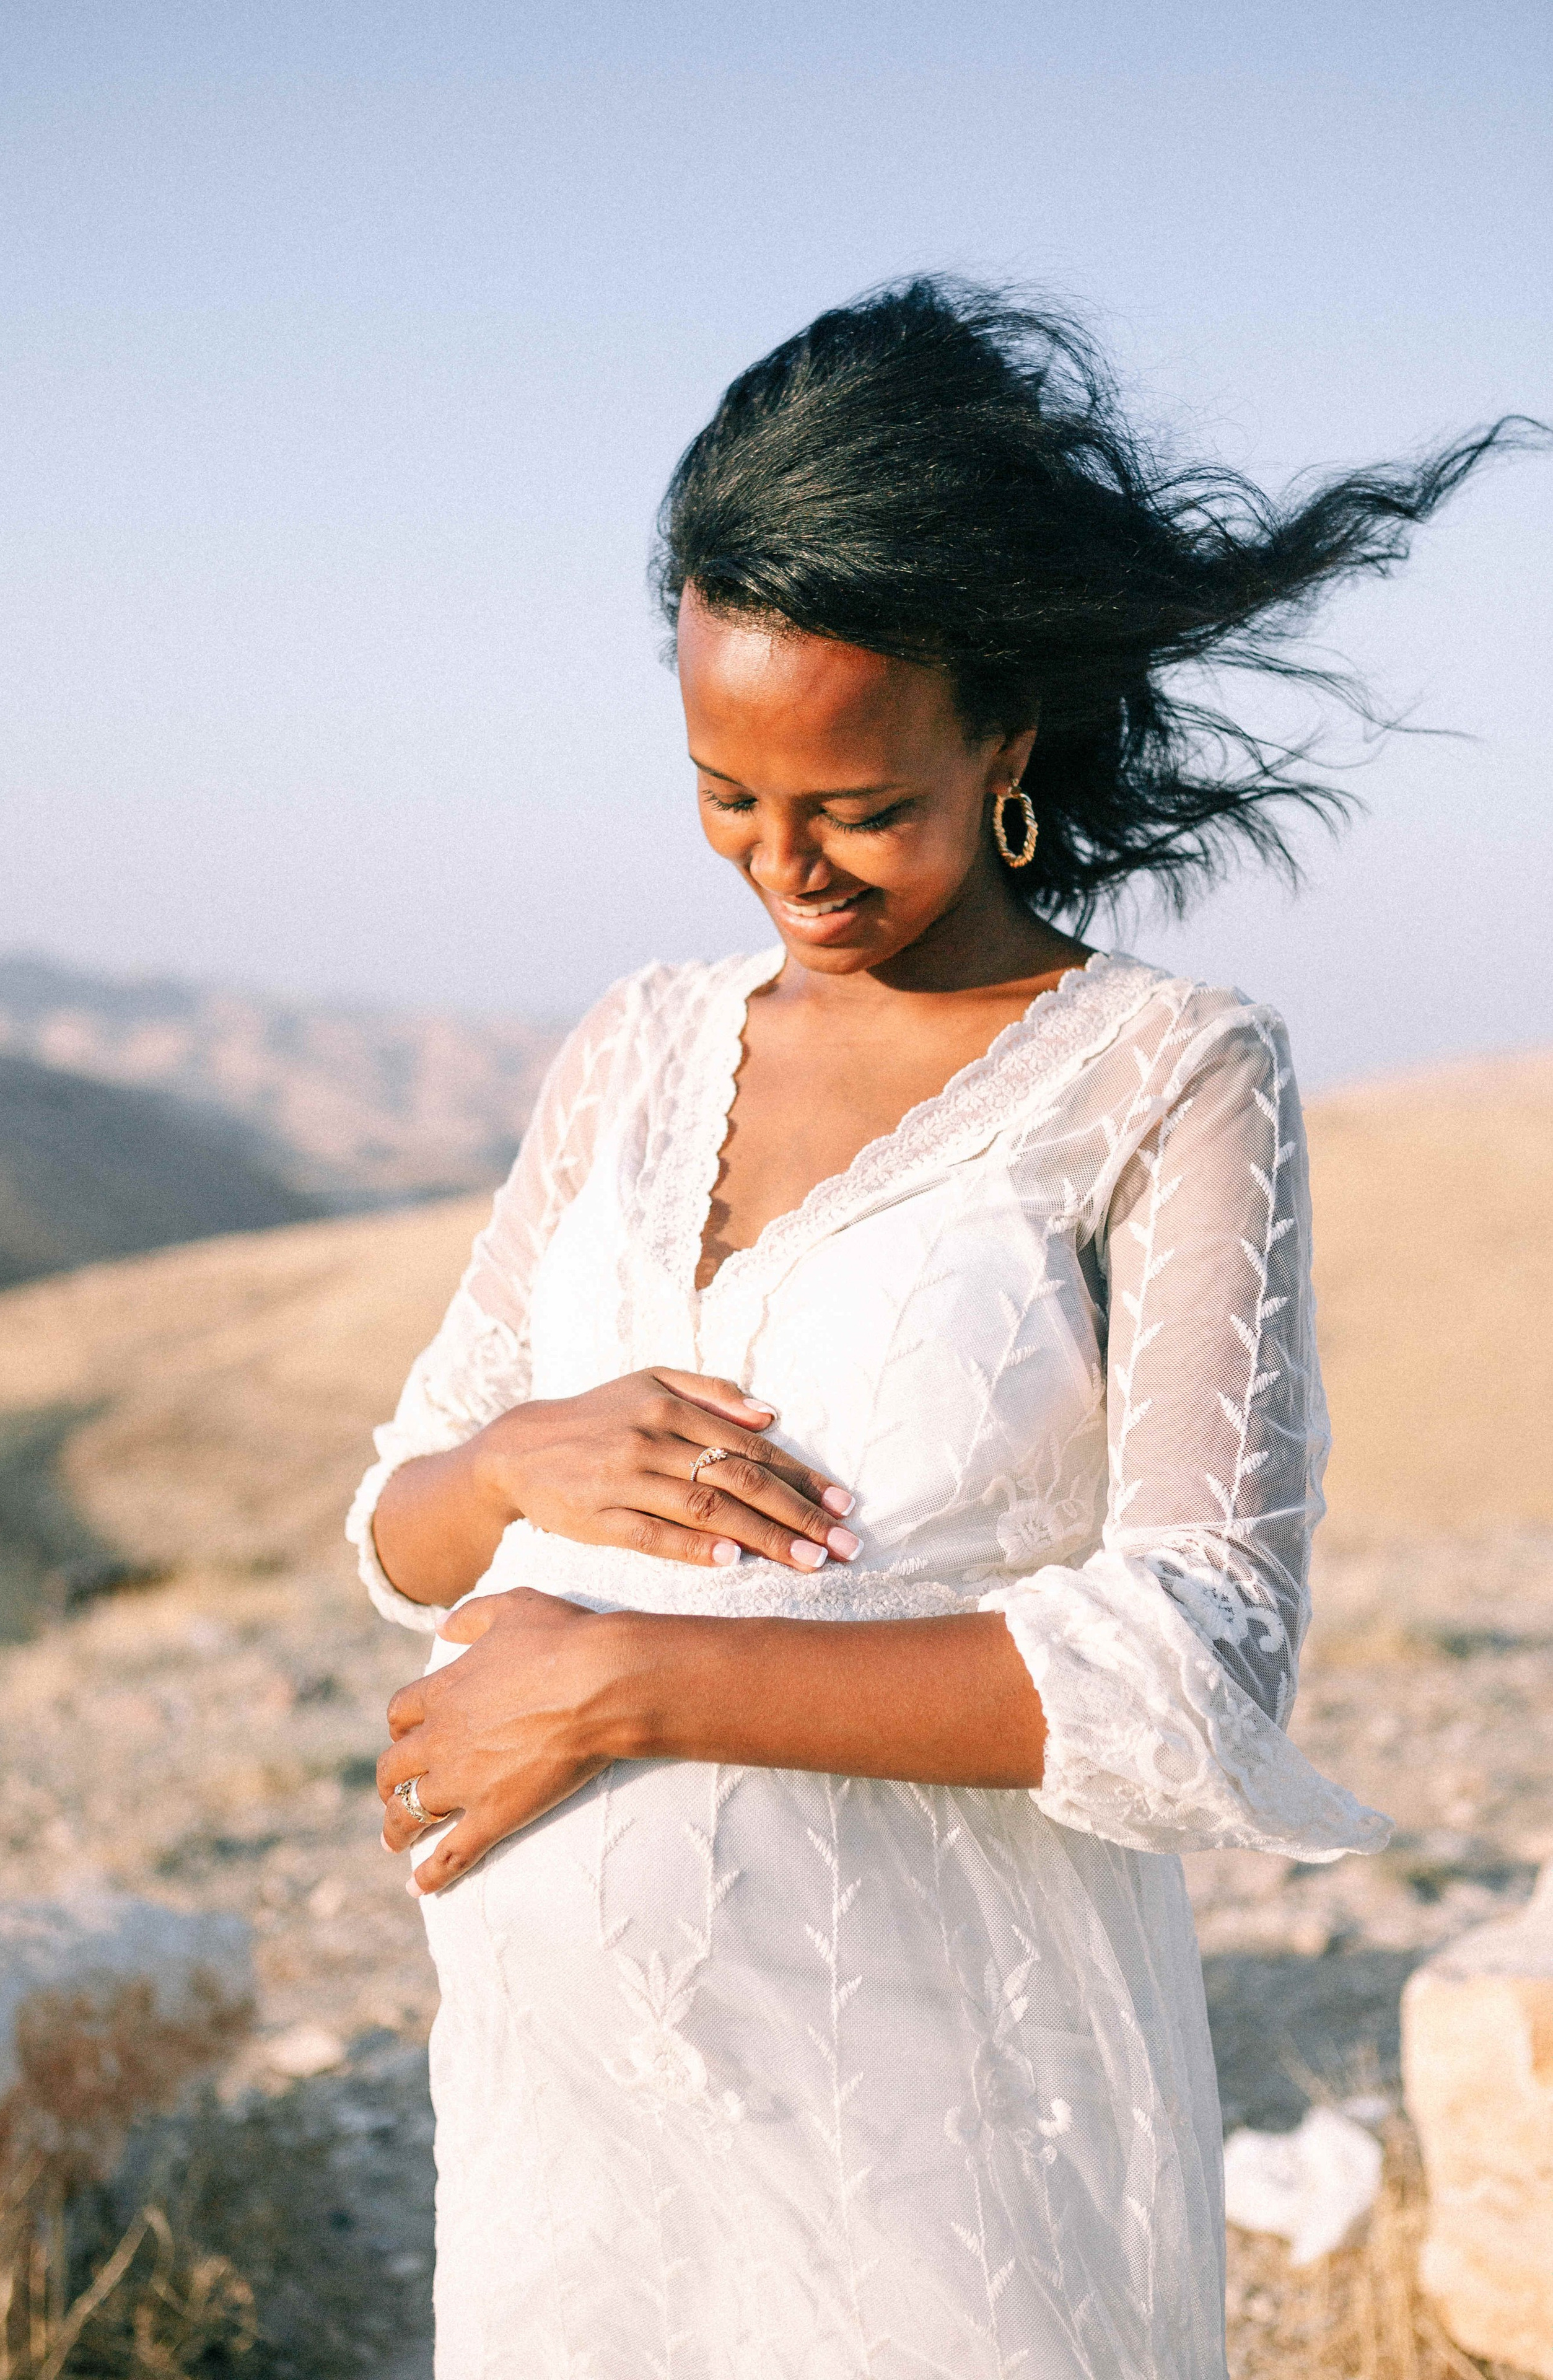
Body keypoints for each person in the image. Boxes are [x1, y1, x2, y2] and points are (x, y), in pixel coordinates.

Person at [348, 280, 1527, 2377]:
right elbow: (403, 1528)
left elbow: (1193, 1664)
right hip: (569, 2158)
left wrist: (626, 1682)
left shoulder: (1167, 1075)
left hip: (936, 2135)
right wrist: (511, 1467)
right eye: (724, 794)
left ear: (1010, 730)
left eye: (855, 806)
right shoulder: (635, 1045)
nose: (782, 866)